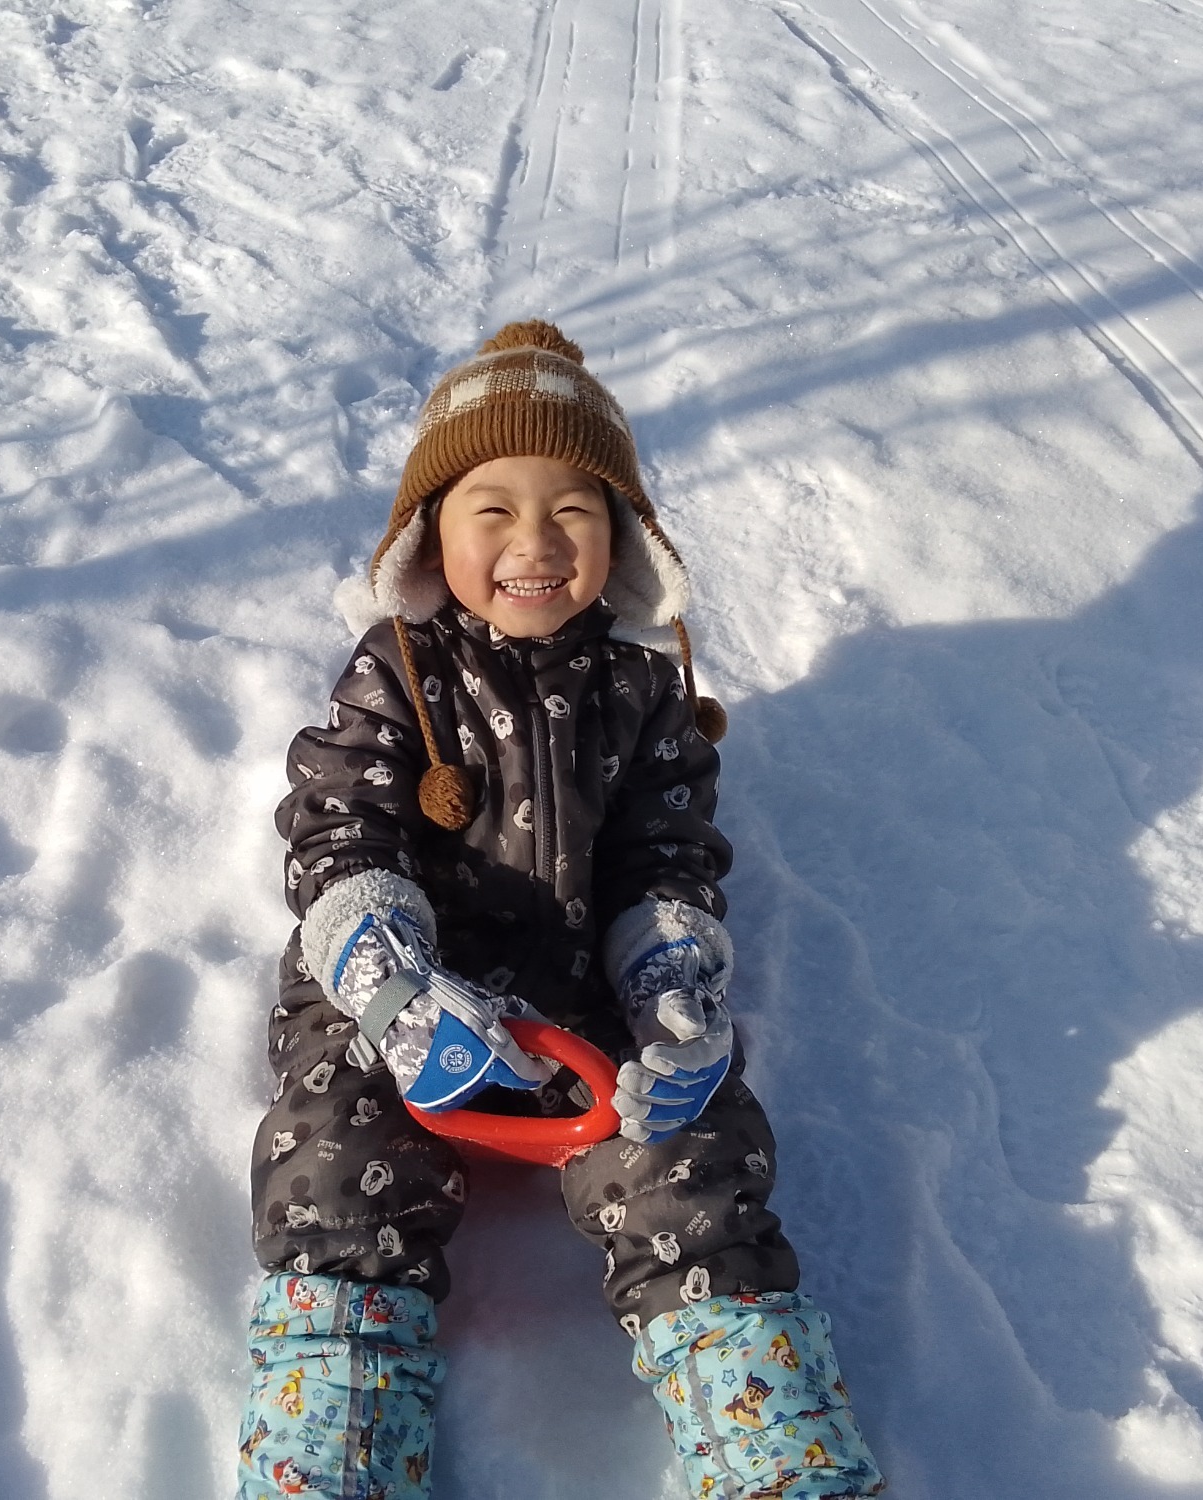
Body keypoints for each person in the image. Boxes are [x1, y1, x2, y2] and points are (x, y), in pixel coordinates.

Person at [236, 321, 884, 1500]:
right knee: (333, 1158)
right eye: (492, 507)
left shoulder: (644, 695)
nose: (533, 543)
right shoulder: (398, 669)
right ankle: (329, 1456)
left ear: (623, 537)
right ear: (430, 529)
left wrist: (671, 990)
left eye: (572, 510)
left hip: (586, 998)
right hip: (405, 988)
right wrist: (388, 986)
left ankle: (772, 1451)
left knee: (692, 1166)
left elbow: (666, 857)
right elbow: (336, 834)